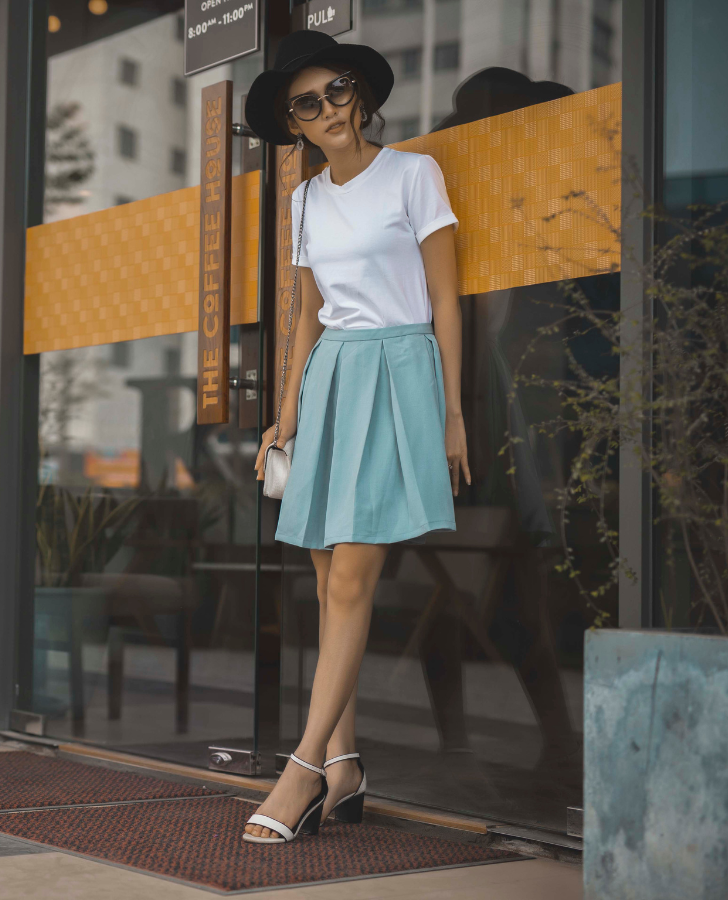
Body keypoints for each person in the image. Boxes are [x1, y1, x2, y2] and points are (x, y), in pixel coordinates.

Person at [241, 30, 470, 843]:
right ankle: (344, 766)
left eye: (336, 90)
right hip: (333, 378)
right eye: (307, 103)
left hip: (399, 372)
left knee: (351, 583)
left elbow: (446, 300)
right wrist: (289, 409)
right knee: (324, 573)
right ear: (292, 124)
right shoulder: (303, 200)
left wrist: (451, 408)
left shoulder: (414, 173)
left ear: (360, 94)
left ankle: (300, 771)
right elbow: (307, 315)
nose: (328, 109)